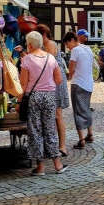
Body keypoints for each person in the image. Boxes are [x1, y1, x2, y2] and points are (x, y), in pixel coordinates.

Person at [20, 31, 67, 175]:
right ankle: (58, 165)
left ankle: (40, 167)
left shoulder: (27, 59)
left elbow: (23, 84)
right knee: (50, 129)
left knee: (35, 130)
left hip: (34, 97)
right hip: (50, 96)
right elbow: (59, 80)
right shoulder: (51, 58)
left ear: (29, 44)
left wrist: (19, 101)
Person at [36, 24, 70, 156]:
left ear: (43, 35)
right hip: (50, 81)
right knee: (51, 115)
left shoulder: (49, 44)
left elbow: (47, 65)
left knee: (57, 114)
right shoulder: (43, 45)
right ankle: (52, 144)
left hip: (55, 81)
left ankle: (62, 146)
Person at [64, 31, 95, 149]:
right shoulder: (87, 48)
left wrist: (67, 76)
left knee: (78, 111)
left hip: (78, 84)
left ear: (72, 40)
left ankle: (81, 140)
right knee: (86, 108)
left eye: (67, 44)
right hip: (89, 84)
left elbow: (71, 70)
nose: (67, 47)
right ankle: (90, 134)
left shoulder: (75, 50)